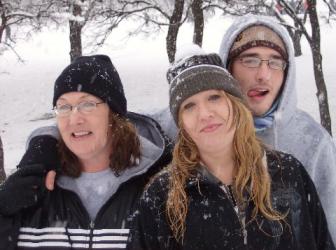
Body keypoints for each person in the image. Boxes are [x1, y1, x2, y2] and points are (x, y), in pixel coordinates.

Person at [128, 53, 334, 249]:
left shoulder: (288, 173)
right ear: (181, 122)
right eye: (189, 106)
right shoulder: (162, 196)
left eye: (214, 97)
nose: (205, 114)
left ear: (235, 105)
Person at [0, 55, 171, 249]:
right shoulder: (33, 190)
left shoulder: (156, 189)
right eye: (64, 106)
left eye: (87, 104)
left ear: (113, 115)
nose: (74, 119)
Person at [218, 13, 336, 241]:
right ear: (228, 67)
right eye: (250, 60)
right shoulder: (203, 132)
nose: (263, 75)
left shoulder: (313, 142)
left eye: (275, 62)